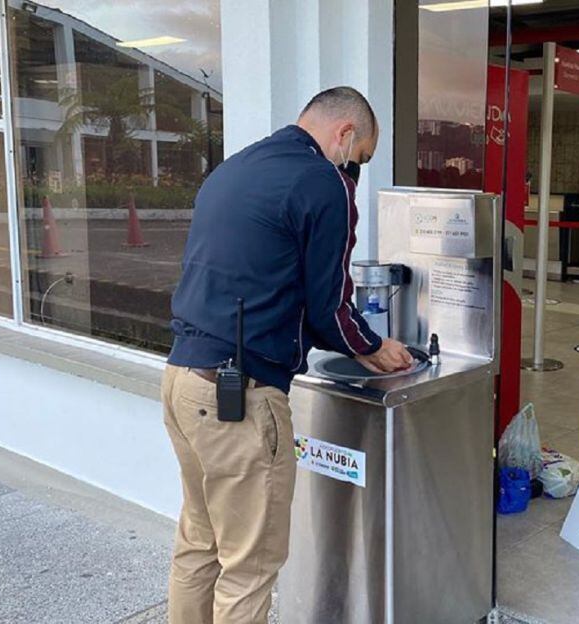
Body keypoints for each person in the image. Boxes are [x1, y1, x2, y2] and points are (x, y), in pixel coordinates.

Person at [161, 86, 412, 624]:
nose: (356, 172)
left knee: (199, 544)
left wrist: (346, 338)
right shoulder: (323, 182)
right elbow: (329, 306)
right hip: (239, 399)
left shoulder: (235, 168)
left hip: (181, 381)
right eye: (361, 159)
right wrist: (372, 347)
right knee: (249, 568)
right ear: (345, 135)